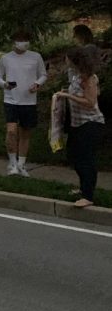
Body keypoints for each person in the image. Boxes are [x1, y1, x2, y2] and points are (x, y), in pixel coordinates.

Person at [0, 30, 47, 176]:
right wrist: (5, 84)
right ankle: (12, 163)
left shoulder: (36, 57)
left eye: (26, 39)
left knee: (25, 133)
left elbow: (43, 75)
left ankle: (21, 164)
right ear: (14, 41)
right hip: (11, 99)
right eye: (20, 39)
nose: (23, 42)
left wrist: (37, 84)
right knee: (11, 131)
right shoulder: (6, 58)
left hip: (29, 101)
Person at [57, 47, 105, 207]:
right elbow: (81, 94)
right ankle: (83, 186)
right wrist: (66, 92)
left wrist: (69, 96)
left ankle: (88, 195)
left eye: (67, 58)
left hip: (90, 123)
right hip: (77, 123)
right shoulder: (77, 77)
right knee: (73, 156)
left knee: (86, 159)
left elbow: (91, 102)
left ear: (73, 60)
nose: (65, 60)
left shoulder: (89, 78)